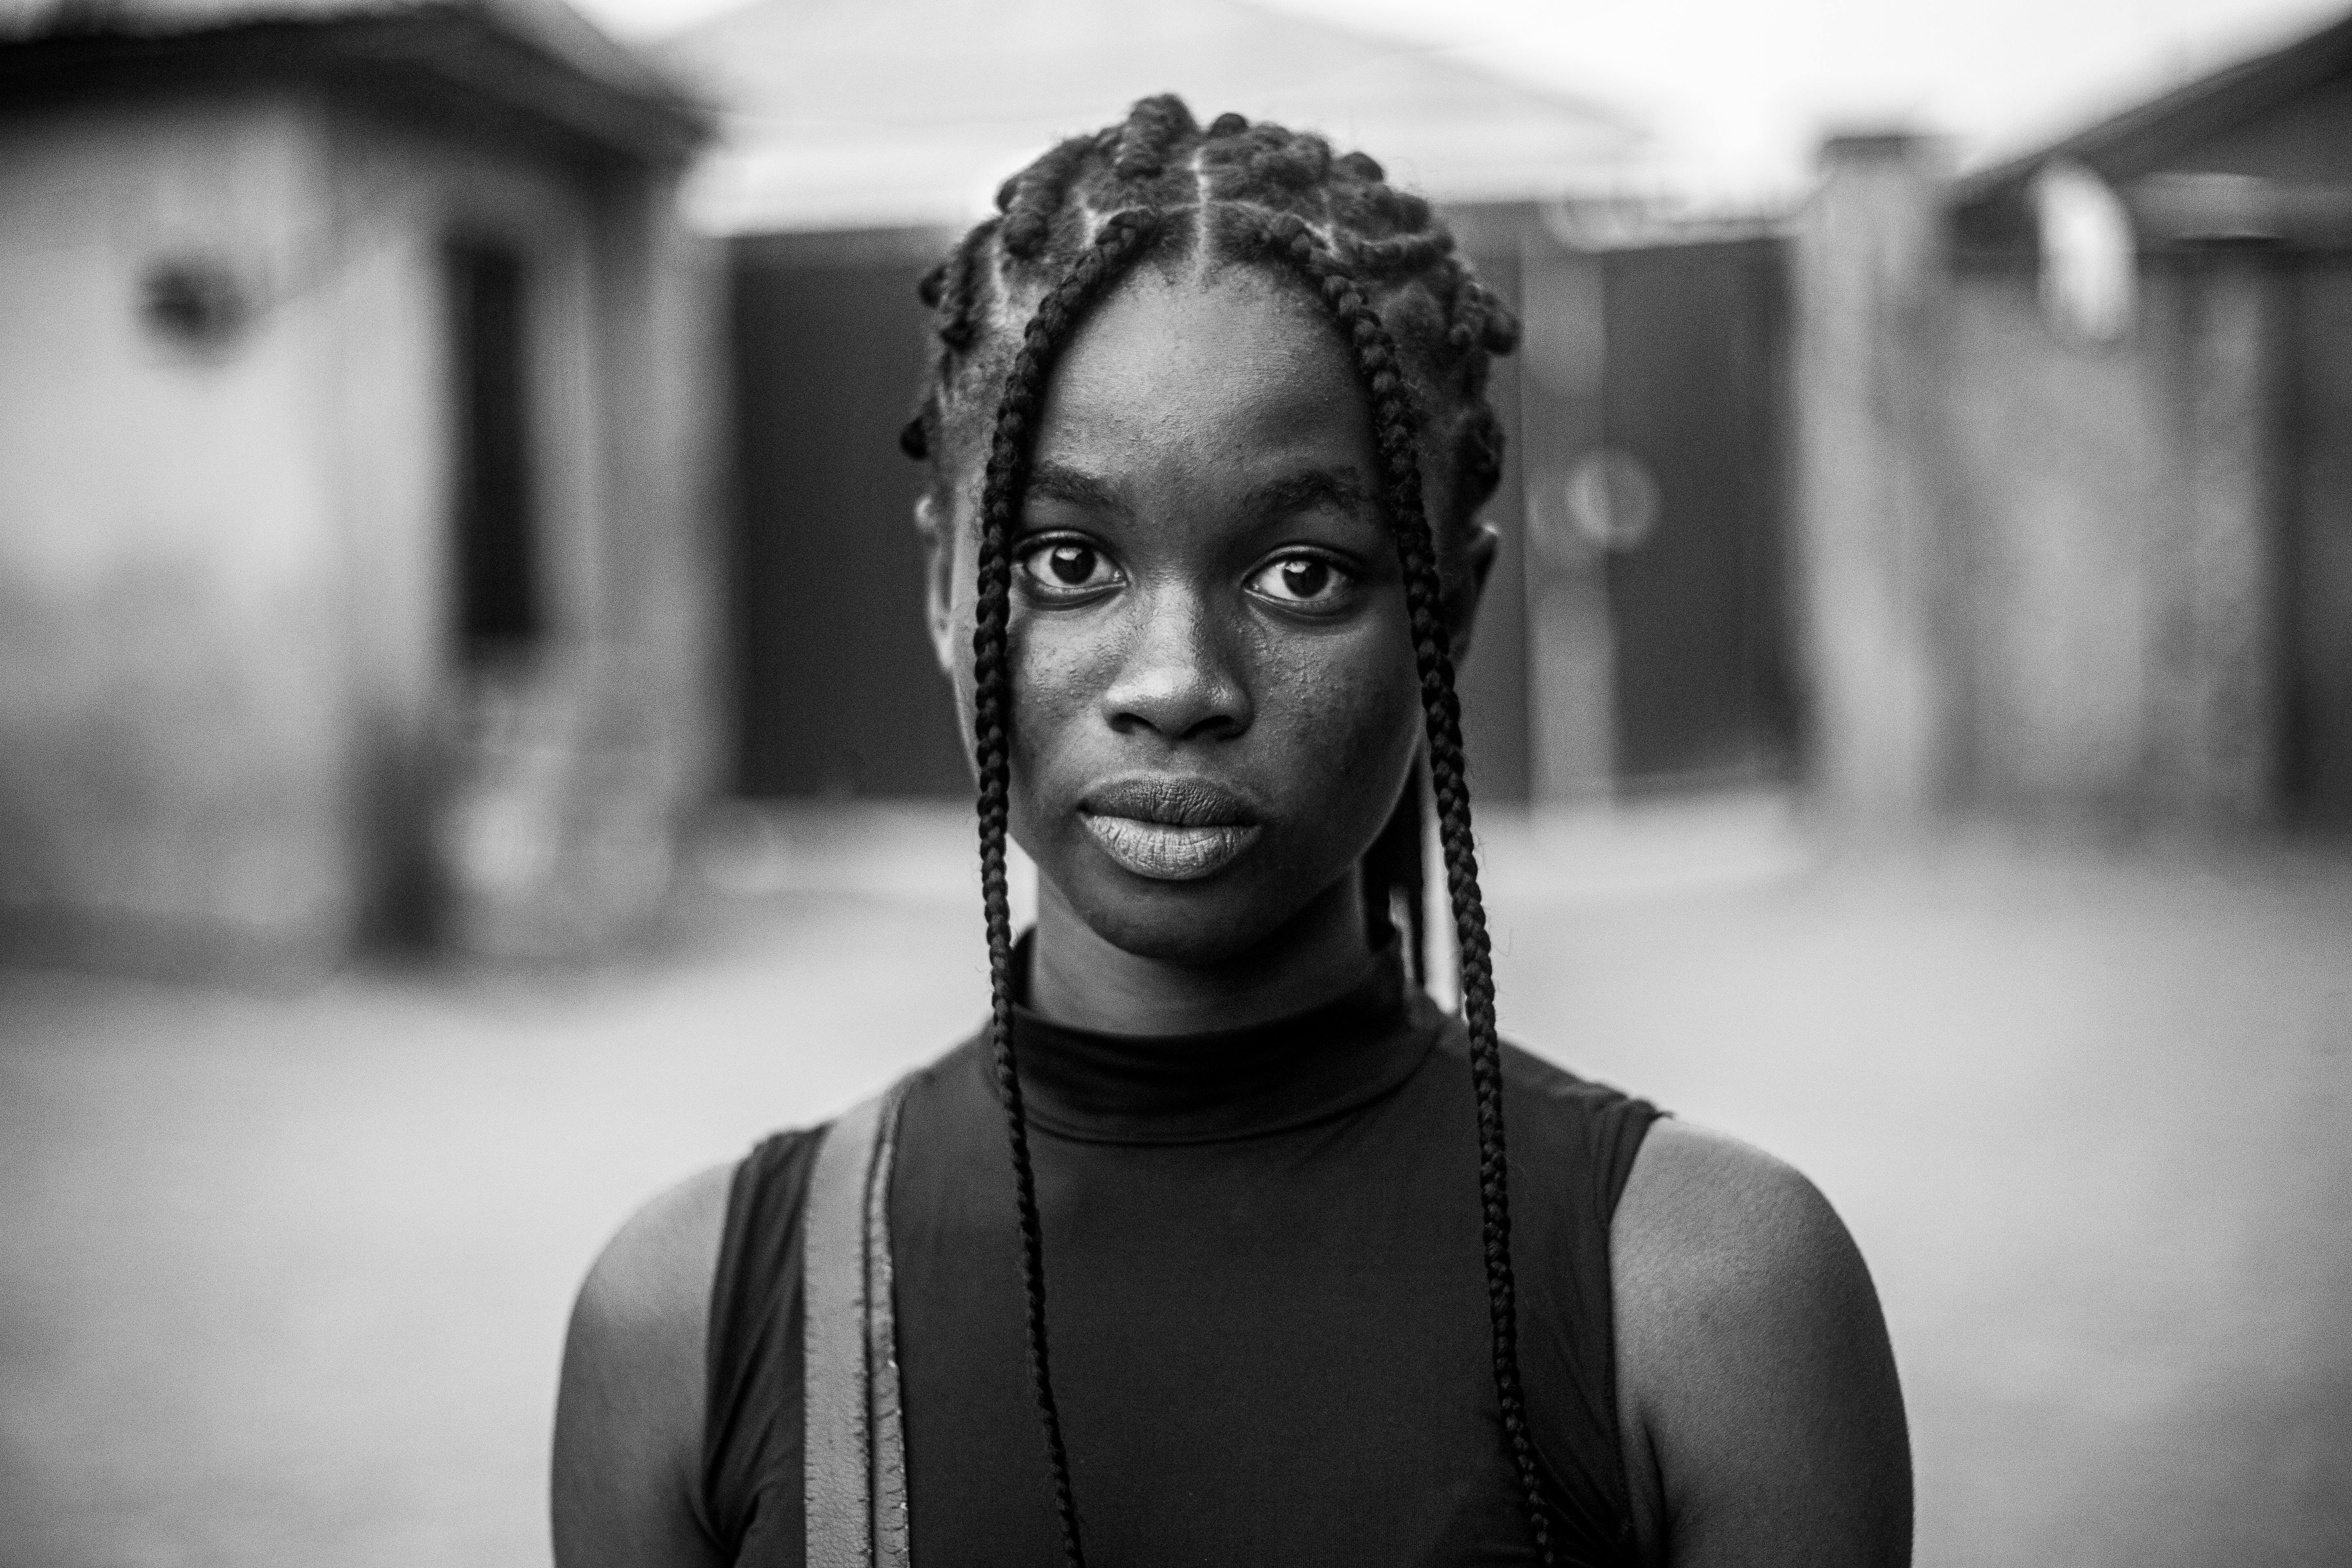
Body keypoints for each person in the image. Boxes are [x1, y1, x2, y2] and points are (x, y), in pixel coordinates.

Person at [552, 96, 1911, 1568]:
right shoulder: (696, 1320)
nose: (1177, 684)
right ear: (950, 592)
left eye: (1303, 575)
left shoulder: (1707, 1297)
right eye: (1070, 563)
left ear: (1450, 607)